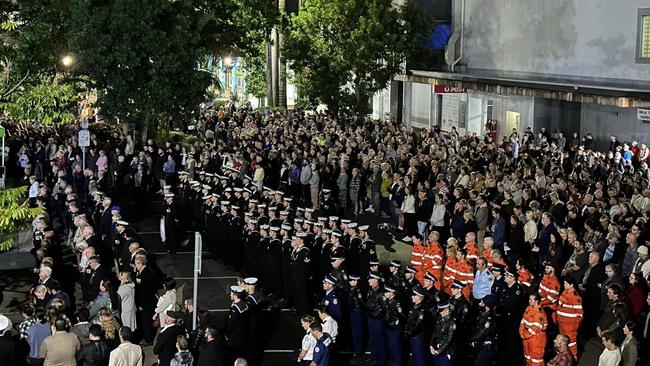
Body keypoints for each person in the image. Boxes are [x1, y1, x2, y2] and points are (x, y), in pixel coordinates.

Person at [519, 294, 548, 366]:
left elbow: (536, 327)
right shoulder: (528, 308)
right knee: (528, 357)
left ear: (536, 301)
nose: (529, 301)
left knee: (536, 360)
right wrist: (521, 333)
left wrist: (524, 335)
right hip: (527, 338)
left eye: (531, 300)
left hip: (536, 340)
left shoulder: (539, 313)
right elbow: (523, 321)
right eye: (529, 299)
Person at [429, 301, 456, 366]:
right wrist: (431, 345)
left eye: (441, 310)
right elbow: (434, 333)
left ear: (447, 310)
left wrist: (439, 351)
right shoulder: (439, 319)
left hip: (445, 352)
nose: (439, 312)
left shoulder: (452, 323)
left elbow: (449, 339)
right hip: (436, 350)